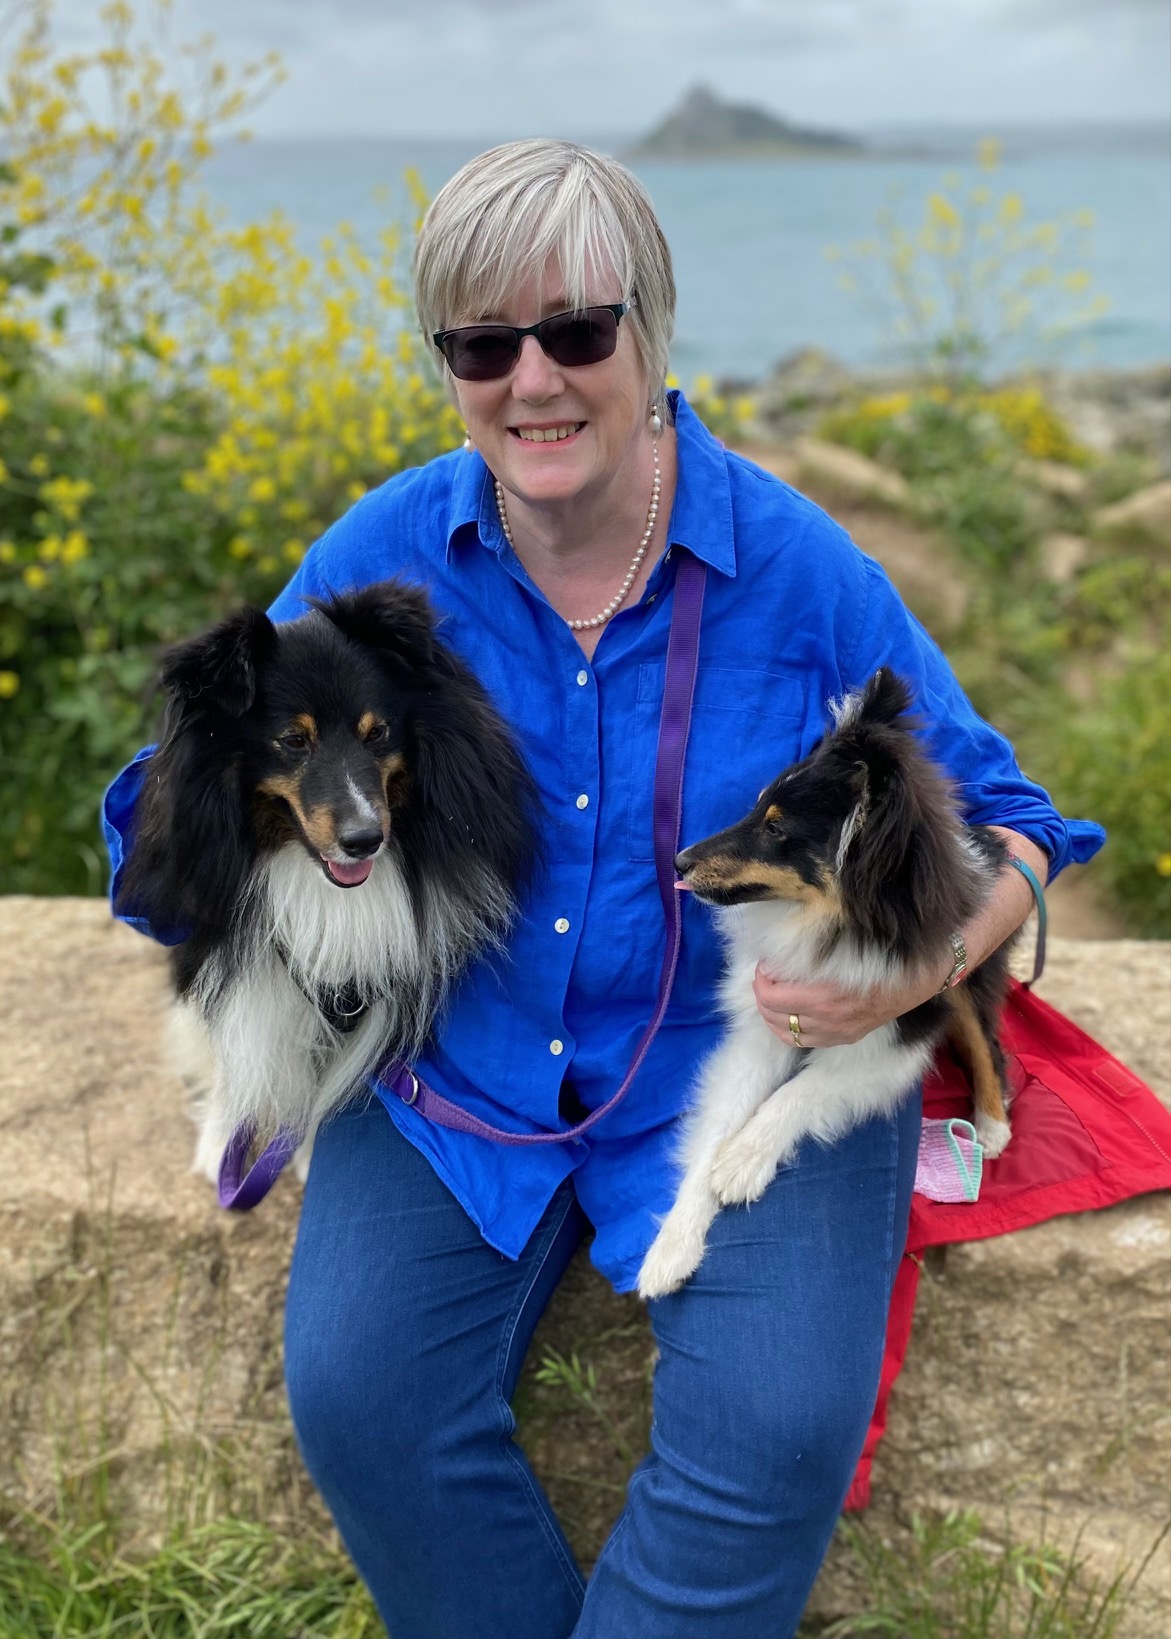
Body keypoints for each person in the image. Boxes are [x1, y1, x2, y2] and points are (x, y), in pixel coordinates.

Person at [104, 139, 1103, 1638]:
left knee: (773, 1431)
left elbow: (1013, 817)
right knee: (363, 1395)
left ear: (652, 330)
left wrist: (918, 971)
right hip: (455, 1059)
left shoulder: (798, 567)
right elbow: (230, 757)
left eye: (576, 330)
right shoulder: (387, 549)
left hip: (751, 1057)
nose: (534, 380)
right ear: (448, 365)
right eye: (482, 345)